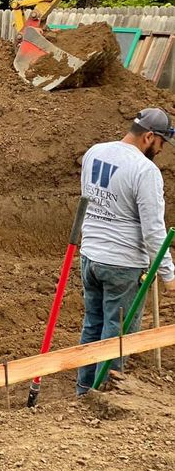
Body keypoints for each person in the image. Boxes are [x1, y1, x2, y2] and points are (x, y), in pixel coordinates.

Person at [76, 107, 175, 395]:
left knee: (93, 323)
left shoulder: (94, 152)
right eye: (161, 143)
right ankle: (104, 394)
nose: (161, 150)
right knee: (117, 332)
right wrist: (169, 275)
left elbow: (89, 201)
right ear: (149, 137)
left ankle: (84, 391)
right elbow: (153, 230)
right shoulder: (145, 171)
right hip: (123, 263)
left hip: (90, 256)